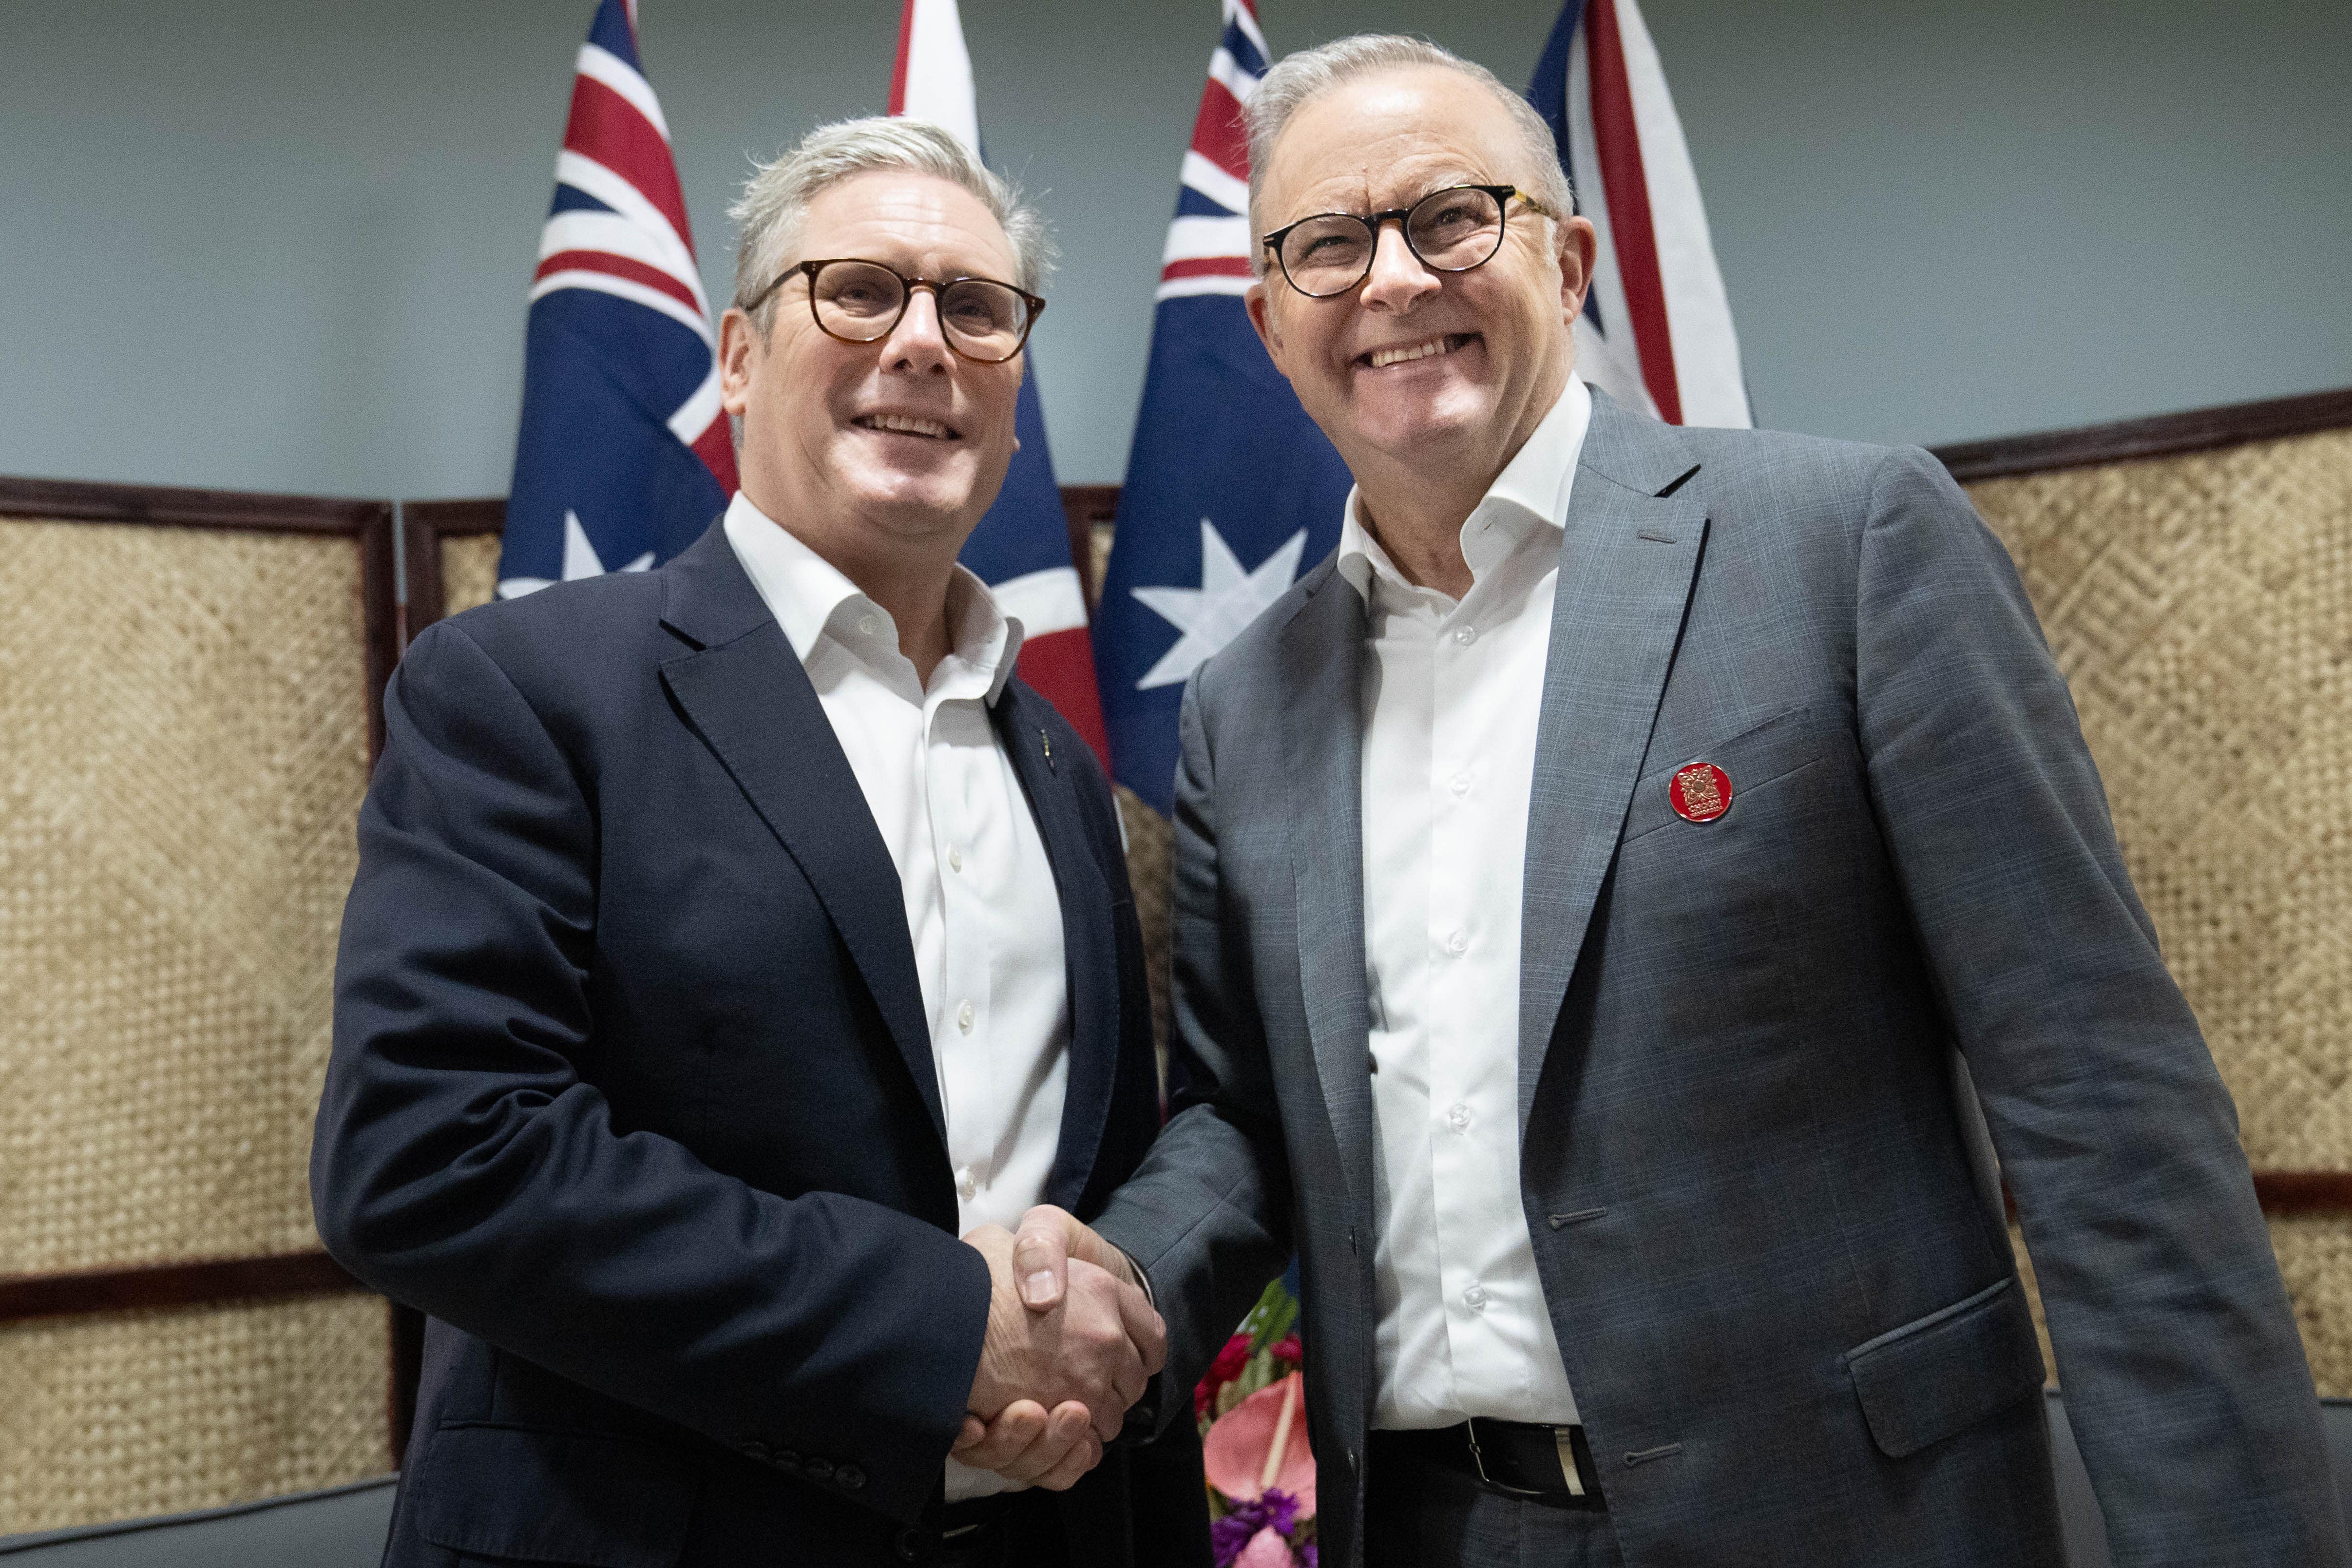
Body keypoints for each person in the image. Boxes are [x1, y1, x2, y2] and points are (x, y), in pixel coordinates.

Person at [1014, 35, 2347, 1568]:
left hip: (1853, 1519)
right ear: (1267, 320)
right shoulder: (1246, 702)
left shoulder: (1842, 547)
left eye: (1451, 216)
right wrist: (1110, 1278)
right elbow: (1252, 1113)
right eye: (1326, 244)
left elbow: (2099, 1107)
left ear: (1567, 259)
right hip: (1440, 1530)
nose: (1390, 280)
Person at [312, 117, 1200, 1568]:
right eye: (858, 290)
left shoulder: (1054, 758)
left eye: (976, 309)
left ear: (1016, 397)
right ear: (735, 355)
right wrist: (934, 1330)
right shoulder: (526, 690)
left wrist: (1068, 1352)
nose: (923, 342)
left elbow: (1093, 1183)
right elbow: (430, 1156)